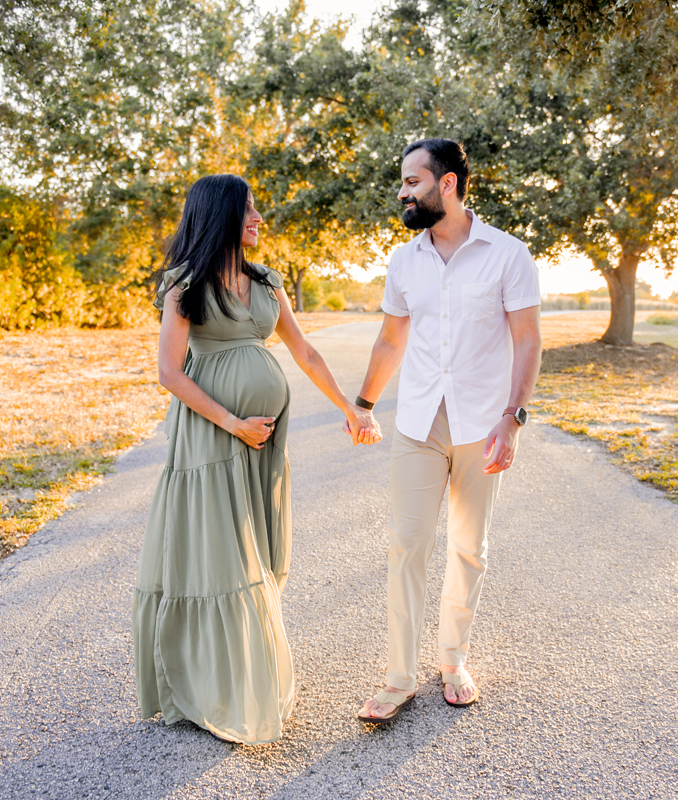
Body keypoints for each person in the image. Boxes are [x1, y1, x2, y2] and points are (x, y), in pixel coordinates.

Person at [133, 173, 379, 745]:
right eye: (249, 211)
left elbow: (306, 350)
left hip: (266, 442)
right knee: (225, 557)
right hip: (212, 437)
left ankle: (244, 675)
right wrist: (233, 422)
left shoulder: (267, 282)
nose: (259, 220)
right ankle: (224, 688)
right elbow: (170, 372)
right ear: (220, 215)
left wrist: (350, 407)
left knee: (260, 548)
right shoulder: (184, 284)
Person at [350, 138, 542, 722]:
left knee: (468, 549)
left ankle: (453, 659)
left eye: (412, 182)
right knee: (407, 545)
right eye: (404, 183)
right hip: (417, 423)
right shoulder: (405, 261)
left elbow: (528, 340)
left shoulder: (508, 254)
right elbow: (391, 339)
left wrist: (512, 419)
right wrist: (363, 403)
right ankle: (399, 676)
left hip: (483, 424)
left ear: (448, 184)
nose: (402, 193)